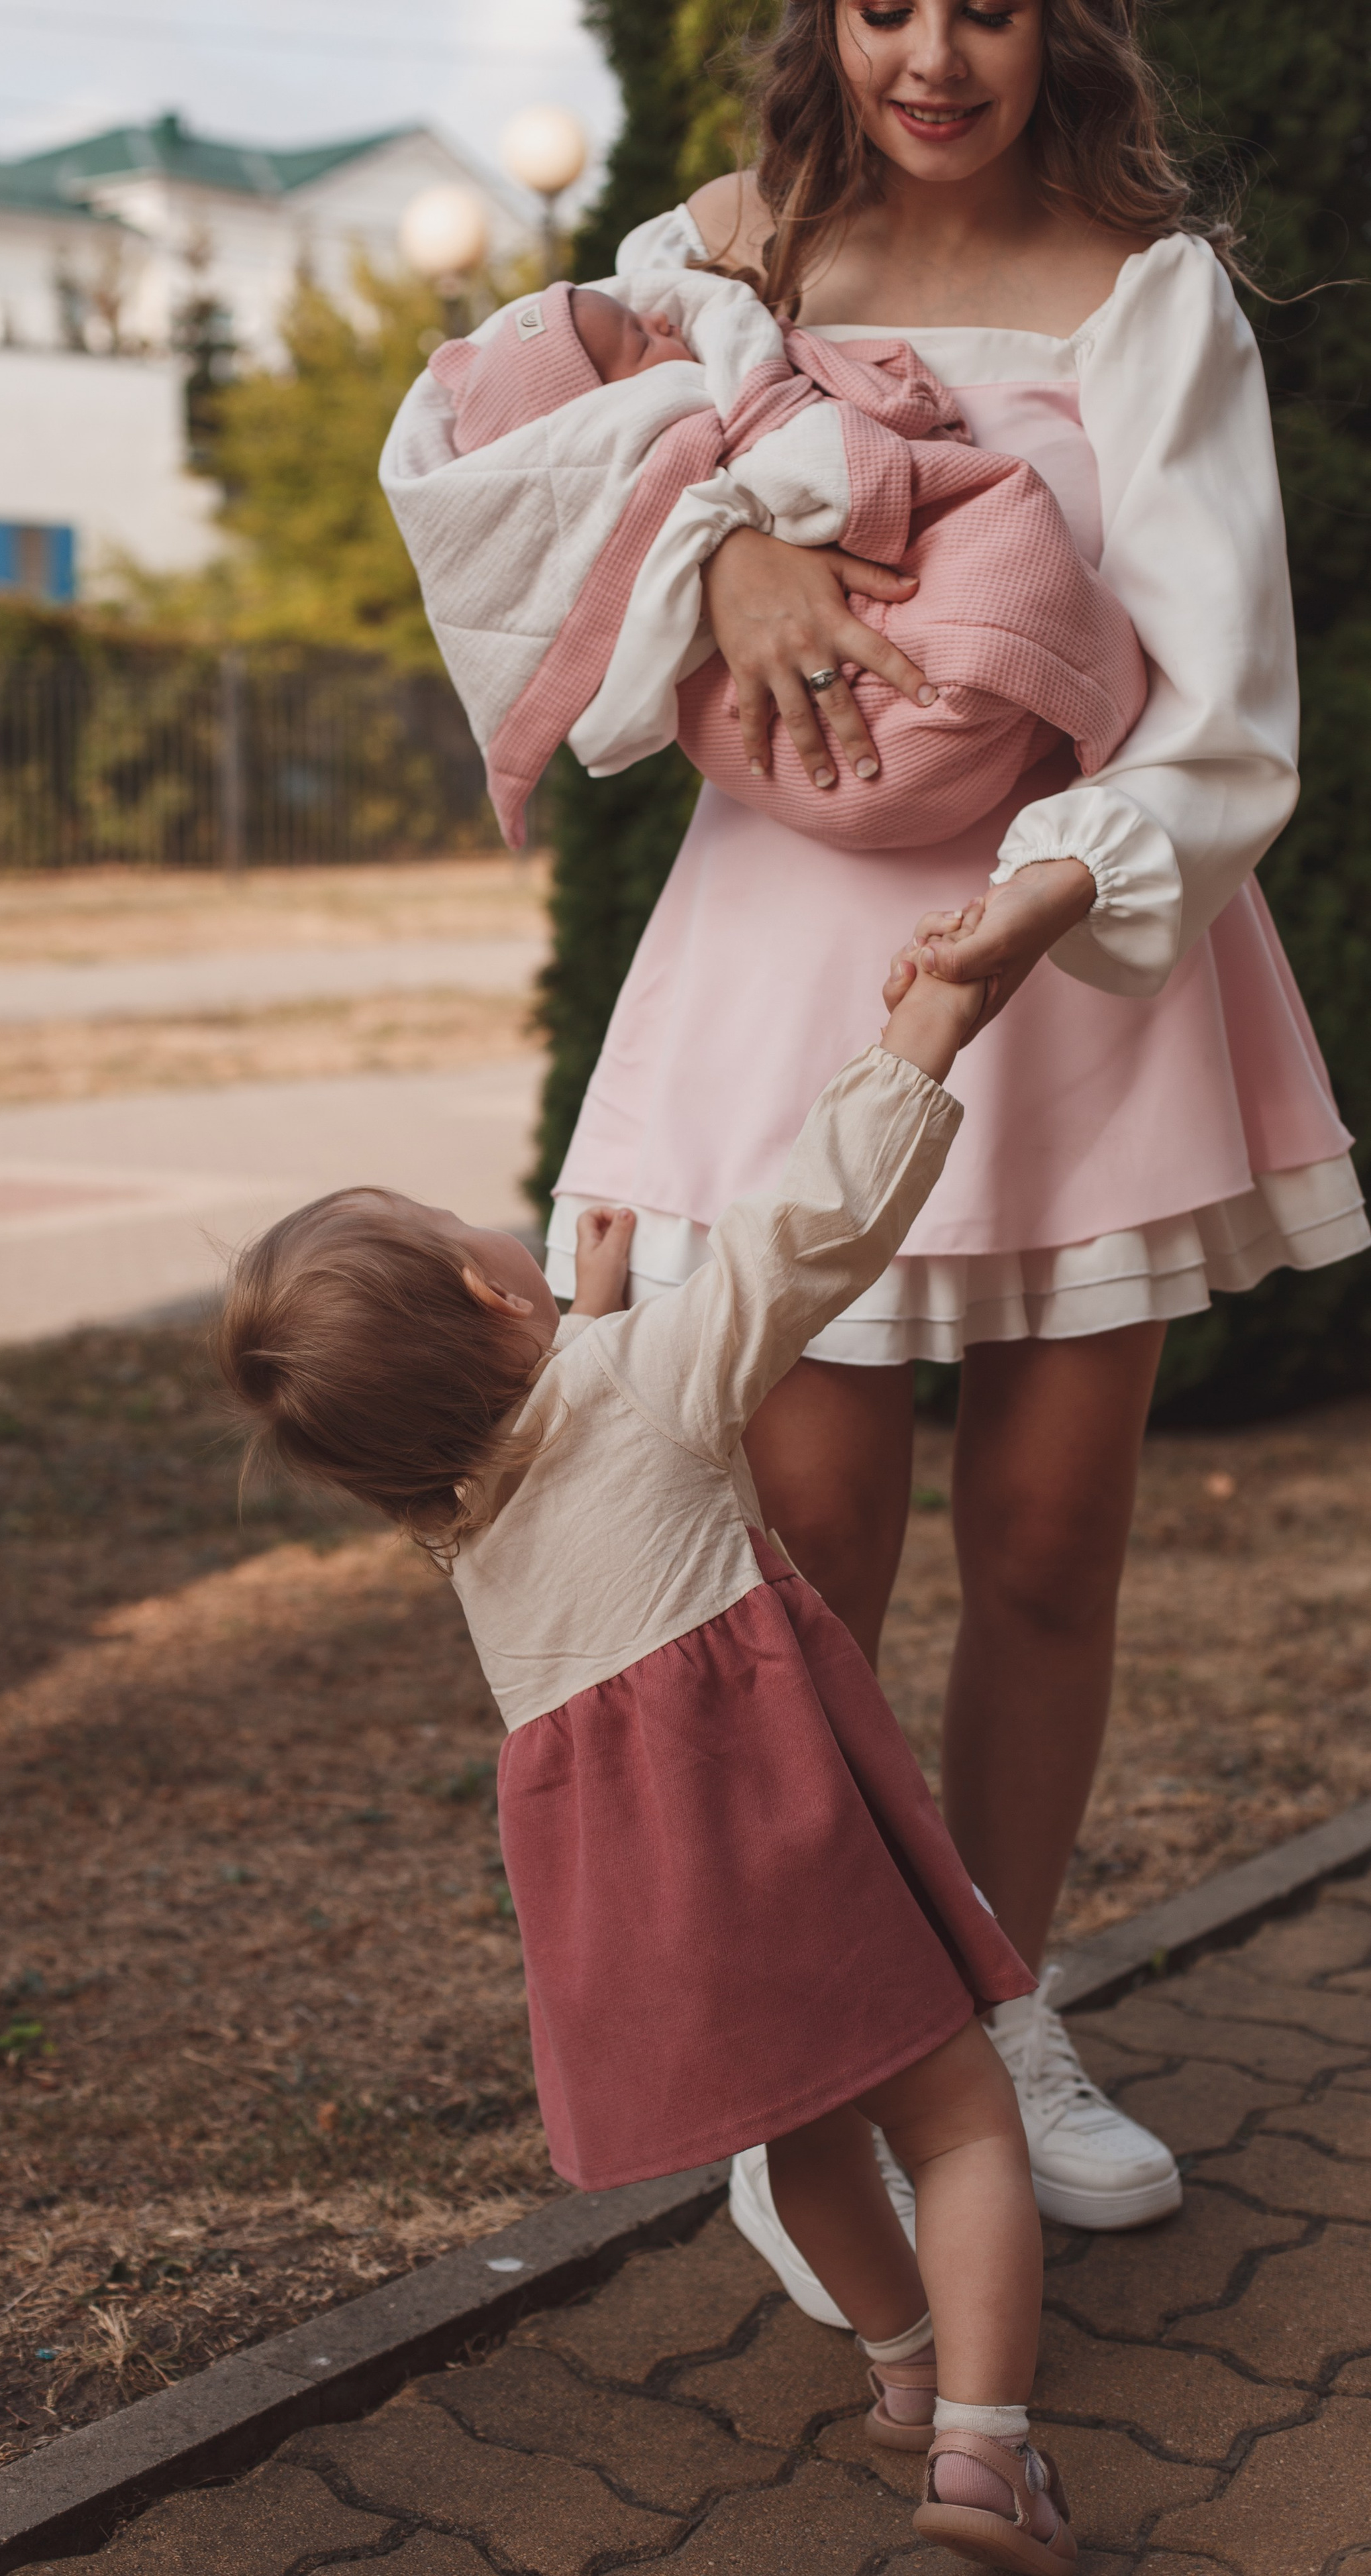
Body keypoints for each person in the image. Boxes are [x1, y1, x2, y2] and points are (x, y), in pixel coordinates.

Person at [540, 0, 1369, 2291]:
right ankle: (816, 2066)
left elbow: (1230, 688)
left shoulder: (1149, 289)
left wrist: (1044, 899)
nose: (933, 51)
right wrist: (721, 557)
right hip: (788, 965)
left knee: (1048, 1535)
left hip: (1072, 953)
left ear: (1064, 21)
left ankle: (1000, 2020)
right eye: (885, 0)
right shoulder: (721, 258)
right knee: (804, 1531)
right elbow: (555, 526)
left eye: (986, 0)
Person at [216, 943, 1080, 2570]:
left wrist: (581, 1315)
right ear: (489, 1291)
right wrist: (923, 1027)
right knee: (958, 2122)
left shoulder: (458, 1527)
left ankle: (900, 2368)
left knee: (799, 2131)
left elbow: (547, 1438)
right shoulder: (650, 1387)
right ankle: (982, 2453)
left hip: (651, 1915)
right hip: (787, 1841)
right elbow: (804, 1231)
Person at [397, 272, 1148, 856]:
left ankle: (1014, 667)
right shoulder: (666, 431)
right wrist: (722, 536)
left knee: (994, 552)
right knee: (993, 545)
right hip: (796, 769)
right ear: (603, 416)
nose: (662, 318)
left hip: (1015, 806)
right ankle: (1029, 667)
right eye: (635, 339)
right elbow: (829, 474)